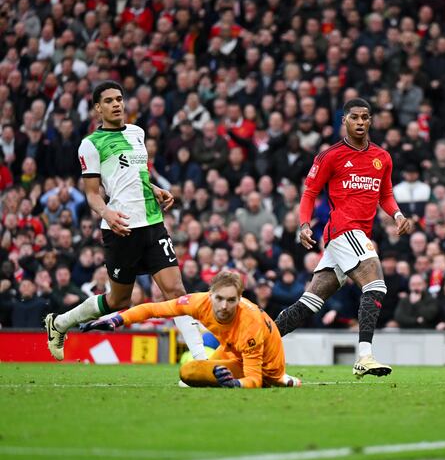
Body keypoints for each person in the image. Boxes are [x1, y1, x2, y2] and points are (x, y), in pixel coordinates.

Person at [44, 81, 206, 363]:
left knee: (176, 291)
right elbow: (93, 194)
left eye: (119, 99)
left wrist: (155, 189)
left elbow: (137, 175)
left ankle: (202, 361)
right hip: (121, 227)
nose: (116, 104)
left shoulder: (137, 133)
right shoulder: (90, 145)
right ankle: (59, 324)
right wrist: (106, 214)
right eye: (108, 101)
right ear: (97, 108)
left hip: (153, 222)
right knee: (118, 301)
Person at [274, 98, 413, 378]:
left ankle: (258, 341)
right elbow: (309, 192)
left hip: (356, 235)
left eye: (365, 117)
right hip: (343, 230)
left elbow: (384, 194)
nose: (360, 122)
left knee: (309, 303)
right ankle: (364, 356)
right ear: (344, 121)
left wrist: (397, 215)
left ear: (371, 121)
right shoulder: (331, 156)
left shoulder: (382, 158)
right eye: (354, 117)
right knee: (376, 283)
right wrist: (303, 225)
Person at [83, 272, 300, 388]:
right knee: (189, 377)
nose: (224, 306)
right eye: (220, 299)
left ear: (240, 299)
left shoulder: (249, 323)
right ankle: (280, 379)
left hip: (266, 366)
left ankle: (282, 379)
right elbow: (154, 309)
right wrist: (117, 320)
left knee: (189, 373)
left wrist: (235, 384)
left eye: (231, 300)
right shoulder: (198, 302)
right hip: (233, 350)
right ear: (210, 295)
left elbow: (254, 379)